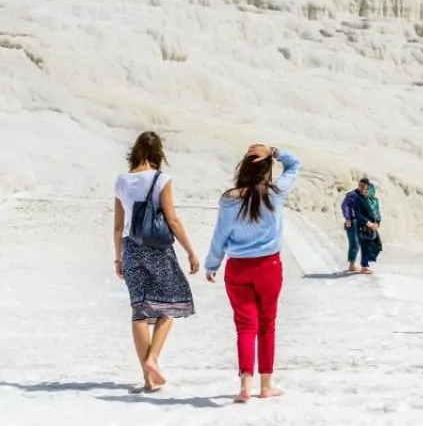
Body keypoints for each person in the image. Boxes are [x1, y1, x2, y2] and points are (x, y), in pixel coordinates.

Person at [204, 144, 301, 404]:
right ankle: (266, 386)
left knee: (245, 326)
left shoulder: (229, 198)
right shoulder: (274, 193)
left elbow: (220, 234)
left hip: (238, 267)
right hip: (268, 267)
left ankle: (245, 385)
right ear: (267, 169)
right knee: (267, 325)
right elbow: (295, 165)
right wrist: (275, 152)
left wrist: (212, 264)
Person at [113, 131, 200, 393]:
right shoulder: (162, 179)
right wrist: (190, 251)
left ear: (135, 151)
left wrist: (118, 258)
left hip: (130, 248)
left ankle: (148, 379)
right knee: (171, 304)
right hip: (158, 249)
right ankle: (153, 359)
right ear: (158, 153)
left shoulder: (122, 181)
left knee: (139, 311)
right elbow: (172, 219)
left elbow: (118, 226)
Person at [341, 179, 370, 273]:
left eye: (364, 186)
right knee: (355, 243)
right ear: (358, 185)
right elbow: (344, 205)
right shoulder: (352, 194)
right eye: (361, 185)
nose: (362, 187)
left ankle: (361, 266)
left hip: (361, 222)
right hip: (352, 221)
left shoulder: (364, 196)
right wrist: (347, 218)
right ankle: (352, 265)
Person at [353, 184, 381, 273]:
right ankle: (364, 266)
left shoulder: (375, 200)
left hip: (373, 225)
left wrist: (377, 223)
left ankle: (366, 262)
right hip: (364, 226)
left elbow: (377, 212)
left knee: (377, 245)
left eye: (370, 189)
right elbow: (358, 214)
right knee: (365, 245)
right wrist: (367, 223)